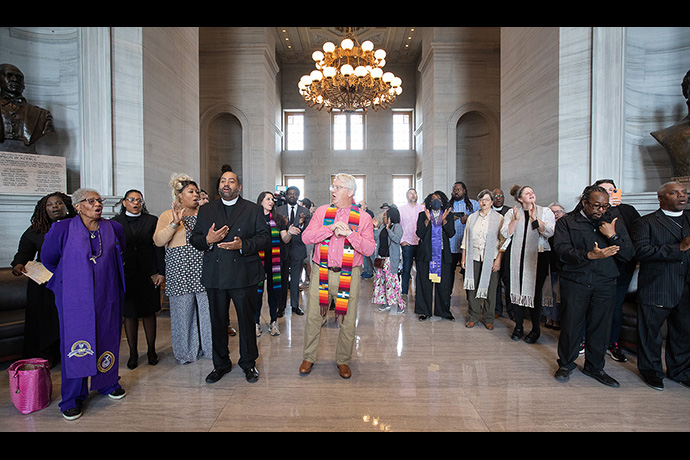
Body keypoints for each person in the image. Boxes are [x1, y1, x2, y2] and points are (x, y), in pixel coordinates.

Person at [41, 188, 127, 421]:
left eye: (99, 201)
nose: (97, 204)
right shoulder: (62, 228)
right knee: (76, 342)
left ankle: (108, 382)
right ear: (78, 206)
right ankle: (72, 397)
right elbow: (48, 258)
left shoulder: (113, 227)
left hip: (107, 294)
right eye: (91, 201)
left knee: (107, 335)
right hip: (74, 297)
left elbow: (121, 252)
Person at [190, 168, 269, 384]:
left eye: (231, 181)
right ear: (219, 186)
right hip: (215, 275)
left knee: (245, 321)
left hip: (244, 274)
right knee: (217, 322)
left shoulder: (252, 209)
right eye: (223, 181)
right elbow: (194, 239)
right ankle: (221, 364)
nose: (227, 184)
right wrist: (208, 239)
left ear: (239, 187)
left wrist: (243, 244)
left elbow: (264, 238)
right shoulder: (206, 211)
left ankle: (248, 363)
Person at [553, 185, 634, 387]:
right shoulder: (567, 222)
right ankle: (566, 364)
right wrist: (589, 255)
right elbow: (561, 251)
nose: (601, 210)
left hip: (605, 282)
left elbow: (629, 254)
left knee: (601, 326)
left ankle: (595, 367)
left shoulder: (613, 222)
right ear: (584, 203)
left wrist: (612, 235)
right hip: (576, 281)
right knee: (572, 323)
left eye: (605, 206)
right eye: (596, 206)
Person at [299, 173, 375, 379]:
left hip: (349, 275)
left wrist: (350, 234)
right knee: (314, 317)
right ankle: (308, 357)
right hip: (321, 272)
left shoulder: (364, 218)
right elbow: (306, 237)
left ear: (350, 192)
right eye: (333, 186)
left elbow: (369, 249)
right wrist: (329, 229)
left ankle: (343, 360)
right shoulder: (323, 212)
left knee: (347, 321)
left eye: (338, 187)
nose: (333, 190)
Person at [631, 181, 690, 391]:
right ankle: (652, 372)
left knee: (684, 332)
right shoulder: (646, 222)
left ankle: (680, 371)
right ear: (661, 198)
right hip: (658, 285)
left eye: (684, 192)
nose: (682, 196)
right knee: (651, 333)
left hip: (686, 287)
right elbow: (641, 252)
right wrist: (678, 248)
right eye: (674, 193)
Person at [153, 174, 212, 365]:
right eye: (191, 191)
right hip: (179, 268)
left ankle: (210, 349)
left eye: (197, 191)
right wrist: (174, 224)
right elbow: (158, 241)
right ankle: (186, 352)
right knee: (182, 312)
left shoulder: (205, 214)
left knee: (207, 311)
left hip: (204, 266)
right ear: (179, 196)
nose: (196, 194)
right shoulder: (167, 215)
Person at [11, 192, 75, 366]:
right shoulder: (36, 230)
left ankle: (69, 353)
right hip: (44, 283)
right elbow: (24, 253)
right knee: (45, 319)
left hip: (71, 280)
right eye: (50, 204)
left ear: (67, 206)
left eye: (59, 203)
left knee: (68, 319)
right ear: (43, 209)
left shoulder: (77, 226)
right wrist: (18, 265)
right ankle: (45, 354)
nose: (55, 206)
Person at [112, 190, 165, 369]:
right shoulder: (115, 223)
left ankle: (151, 350)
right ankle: (133, 353)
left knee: (149, 313)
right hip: (126, 274)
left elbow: (158, 247)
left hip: (148, 273)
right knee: (130, 315)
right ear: (124, 202)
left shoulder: (151, 220)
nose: (136, 203)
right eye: (131, 200)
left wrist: (160, 272)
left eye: (139, 200)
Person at [593, 179, 641, 363]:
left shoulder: (628, 210)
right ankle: (592, 340)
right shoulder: (591, 212)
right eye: (605, 190)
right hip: (600, 266)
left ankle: (613, 342)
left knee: (616, 305)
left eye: (612, 190)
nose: (610, 193)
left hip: (623, 266)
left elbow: (637, 235)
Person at [500, 185, 555, 343]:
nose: (531, 194)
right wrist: (516, 221)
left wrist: (535, 219)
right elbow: (505, 233)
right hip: (516, 256)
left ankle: (536, 329)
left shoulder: (545, 211)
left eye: (532, 191)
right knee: (516, 291)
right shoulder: (512, 212)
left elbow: (550, 232)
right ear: (519, 198)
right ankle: (518, 327)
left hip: (538, 256)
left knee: (535, 294)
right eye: (526, 193)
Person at [461, 189, 505, 330]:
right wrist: (463, 258)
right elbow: (465, 239)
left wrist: (498, 260)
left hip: (491, 257)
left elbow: (503, 241)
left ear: (491, 202)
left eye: (486, 199)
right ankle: (473, 316)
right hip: (473, 256)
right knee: (472, 288)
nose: (483, 202)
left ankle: (488, 318)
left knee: (491, 289)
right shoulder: (472, 218)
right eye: (481, 200)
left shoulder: (499, 218)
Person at [255, 191, 293, 337]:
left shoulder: (278, 219)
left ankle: (273, 322)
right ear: (261, 201)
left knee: (274, 293)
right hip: (258, 260)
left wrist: (289, 232)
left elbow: (285, 239)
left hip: (275, 261)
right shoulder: (254, 218)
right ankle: (256, 323)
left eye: (272, 199)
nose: (271, 201)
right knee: (257, 294)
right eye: (268, 199)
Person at [414, 191, 456, 321]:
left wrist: (443, 221)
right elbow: (419, 233)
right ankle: (424, 311)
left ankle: (443, 311)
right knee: (424, 284)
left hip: (443, 255)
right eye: (433, 199)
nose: (436, 201)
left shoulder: (448, 215)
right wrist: (427, 220)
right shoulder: (422, 215)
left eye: (438, 199)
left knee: (443, 285)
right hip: (426, 255)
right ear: (429, 202)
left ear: (443, 201)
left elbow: (451, 233)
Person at [0, 63, 55, 146]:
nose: (15, 79)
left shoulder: (42, 115)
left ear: (24, 85)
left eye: (19, 78)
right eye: (9, 75)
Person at [276, 186, 309, 316]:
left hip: (298, 249)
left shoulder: (305, 211)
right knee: (282, 280)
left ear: (298, 196)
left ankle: (295, 305)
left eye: (295, 194)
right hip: (282, 250)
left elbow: (308, 231)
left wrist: (301, 223)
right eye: (290, 194)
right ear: (286, 196)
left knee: (295, 280)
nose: (292, 196)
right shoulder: (279, 210)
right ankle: (281, 307)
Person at [372, 206, 405, 313]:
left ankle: (400, 304)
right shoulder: (382, 227)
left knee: (392, 282)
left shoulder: (397, 227)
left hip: (391, 259)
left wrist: (388, 230)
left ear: (391, 217)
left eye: (385, 216)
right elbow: (376, 239)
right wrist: (376, 228)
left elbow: (397, 239)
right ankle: (385, 302)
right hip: (381, 258)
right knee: (382, 281)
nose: (384, 218)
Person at [448, 181, 478, 293]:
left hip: (468, 245)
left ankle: (471, 299)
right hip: (452, 244)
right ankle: (447, 297)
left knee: (468, 273)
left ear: (464, 191)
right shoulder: (448, 205)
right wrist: (451, 219)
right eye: (454, 189)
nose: (456, 192)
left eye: (458, 189)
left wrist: (468, 219)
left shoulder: (474, 204)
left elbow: (481, 219)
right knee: (449, 273)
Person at [399, 188, 425, 305]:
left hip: (420, 243)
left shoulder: (423, 209)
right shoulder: (402, 210)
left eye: (415, 193)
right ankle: (404, 293)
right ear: (407, 196)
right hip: (407, 243)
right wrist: (402, 241)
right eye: (410, 193)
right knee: (406, 269)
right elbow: (398, 226)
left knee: (420, 270)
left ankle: (419, 293)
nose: (413, 195)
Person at [544, 202, 566, 330]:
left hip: (562, 266)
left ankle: (557, 318)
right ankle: (549, 317)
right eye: (552, 212)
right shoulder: (547, 228)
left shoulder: (566, 227)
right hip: (549, 264)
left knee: (557, 293)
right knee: (548, 292)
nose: (555, 214)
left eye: (558, 211)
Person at [492, 188, 512, 320]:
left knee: (509, 282)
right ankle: (497, 309)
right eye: (496, 196)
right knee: (495, 283)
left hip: (508, 252)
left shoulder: (510, 212)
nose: (498, 198)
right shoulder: (489, 212)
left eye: (501, 196)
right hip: (493, 251)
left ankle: (512, 311)